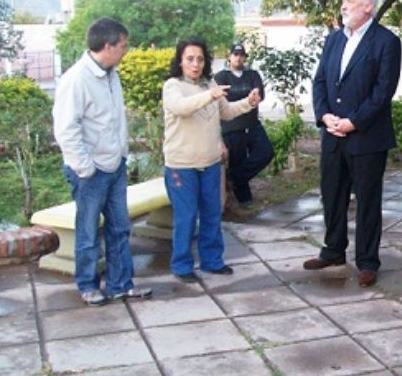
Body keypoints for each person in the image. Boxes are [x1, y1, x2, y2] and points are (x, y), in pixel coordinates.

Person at [303, 0, 402, 288]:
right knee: (332, 195)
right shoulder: (333, 40)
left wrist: (353, 122)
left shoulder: (386, 42)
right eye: (344, 0)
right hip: (332, 135)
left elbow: (382, 92)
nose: (343, 5)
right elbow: (319, 82)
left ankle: (368, 261)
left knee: (368, 201)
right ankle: (333, 251)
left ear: (368, 6)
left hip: (367, 138)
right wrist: (324, 115)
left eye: (349, 0)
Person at [53, 17, 152, 306]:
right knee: (87, 233)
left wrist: (121, 155)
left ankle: (120, 284)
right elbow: (65, 130)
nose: (126, 51)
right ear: (107, 46)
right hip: (90, 172)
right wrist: (85, 168)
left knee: (120, 228)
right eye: (123, 45)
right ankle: (87, 286)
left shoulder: (111, 74)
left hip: (115, 165)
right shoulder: (75, 80)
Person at [162, 39, 261, 283]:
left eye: (200, 59)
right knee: (186, 217)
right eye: (190, 59)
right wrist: (209, 95)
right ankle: (182, 265)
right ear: (180, 61)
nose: (196, 64)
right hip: (181, 165)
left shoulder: (210, 83)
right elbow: (182, 107)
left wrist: (248, 103)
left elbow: (225, 112)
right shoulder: (173, 86)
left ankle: (212, 261)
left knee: (211, 214)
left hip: (210, 163)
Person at [214, 44, 274, 208]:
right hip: (232, 126)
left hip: (252, 124)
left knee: (266, 152)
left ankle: (231, 177)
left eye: (241, 55)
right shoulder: (221, 77)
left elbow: (258, 94)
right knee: (237, 160)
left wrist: (252, 96)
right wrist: (246, 97)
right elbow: (222, 101)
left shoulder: (252, 74)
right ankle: (244, 200)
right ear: (229, 56)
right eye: (235, 54)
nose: (238, 58)